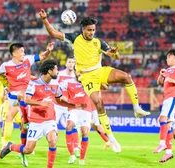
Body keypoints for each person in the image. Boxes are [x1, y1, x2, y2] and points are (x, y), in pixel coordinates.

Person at [39, 10, 150, 152]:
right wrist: (44, 19)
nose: (92, 33)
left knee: (126, 77)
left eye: (93, 30)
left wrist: (115, 52)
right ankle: (111, 138)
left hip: (99, 71)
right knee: (99, 103)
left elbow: (115, 57)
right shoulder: (75, 38)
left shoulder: (99, 42)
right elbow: (54, 33)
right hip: (87, 76)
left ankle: (136, 108)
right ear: (83, 29)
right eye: (89, 30)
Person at [0, 60, 80, 168]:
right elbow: (27, 100)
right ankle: (10, 147)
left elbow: (59, 99)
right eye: (56, 69)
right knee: (28, 149)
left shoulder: (55, 84)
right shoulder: (34, 83)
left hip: (50, 119)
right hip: (36, 121)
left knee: (53, 140)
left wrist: (73, 105)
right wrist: (41, 103)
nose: (58, 72)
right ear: (49, 71)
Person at [0, 42, 54, 148]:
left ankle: (22, 144)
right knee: (12, 113)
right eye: (21, 51)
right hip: (13, 95)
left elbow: (42, 56)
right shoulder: (6, 66)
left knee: (13, 119)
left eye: (24, 51)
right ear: (14, 53)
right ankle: (8, 140)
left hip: (25, 95)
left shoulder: (27, 60)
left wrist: (48, 50)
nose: (24, 53)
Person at [59, 73, 96, 165]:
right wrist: (67, 100)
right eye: (78, 72)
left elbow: (103, 87)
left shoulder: (89, 81)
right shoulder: (67, 82)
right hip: (74, 108)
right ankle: (71, 154)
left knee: (85, 132)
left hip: (86, 110)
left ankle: (82, 159)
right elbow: (61, 95)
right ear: (75, 72)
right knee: (69, 126)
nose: (80, 74)